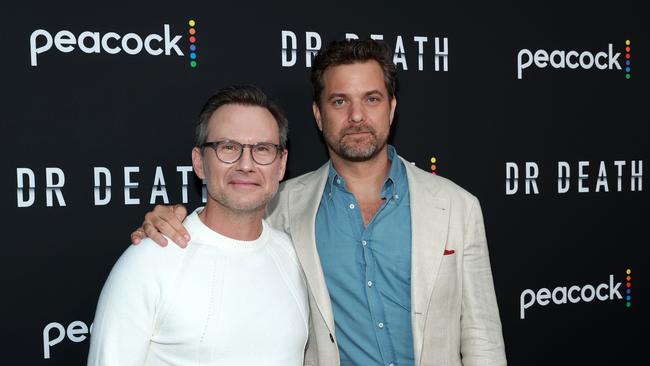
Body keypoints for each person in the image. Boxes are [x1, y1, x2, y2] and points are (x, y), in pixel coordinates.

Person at [132, 39, 507, 366]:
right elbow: (225, 225)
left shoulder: (458, 206)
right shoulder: (279, 206)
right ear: (318, 113)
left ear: (391, 108)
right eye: (340, 100)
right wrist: (172, 219)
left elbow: (482, 336)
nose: (357, 116)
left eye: (371, 99)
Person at [89, 85, 309, 366]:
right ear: (199, 162)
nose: (245, 164)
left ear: (280, 166)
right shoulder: (149, 260)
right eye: (228, 148)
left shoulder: (293, 255)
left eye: (262, 149)